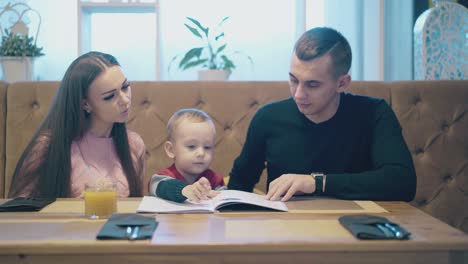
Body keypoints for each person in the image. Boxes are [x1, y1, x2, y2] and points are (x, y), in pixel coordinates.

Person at [227, 27, 416, 202]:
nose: (298, 94)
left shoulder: (374, 113)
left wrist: (316, 183)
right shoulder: (267, 118)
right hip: (286, 230)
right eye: (293, 80)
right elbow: (239, 184)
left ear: (342, 83)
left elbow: (402, 183)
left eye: (312, 85)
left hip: (358, 228)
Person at [8, 51, 145, 198]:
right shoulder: (49, 146)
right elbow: (20, 211)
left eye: (125, 87)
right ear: (86, 104)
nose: (125, 100)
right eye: (110, 96)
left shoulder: (134, 145)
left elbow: (137, 208)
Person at [149, 108, 225, 203]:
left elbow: (224, 201)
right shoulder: (161, 178)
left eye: (207, 147)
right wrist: (185, 190)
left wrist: (214, 195)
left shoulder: (214, 179)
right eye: (192, 146)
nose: (201, 153)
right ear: (171, 150)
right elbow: (160, 187)